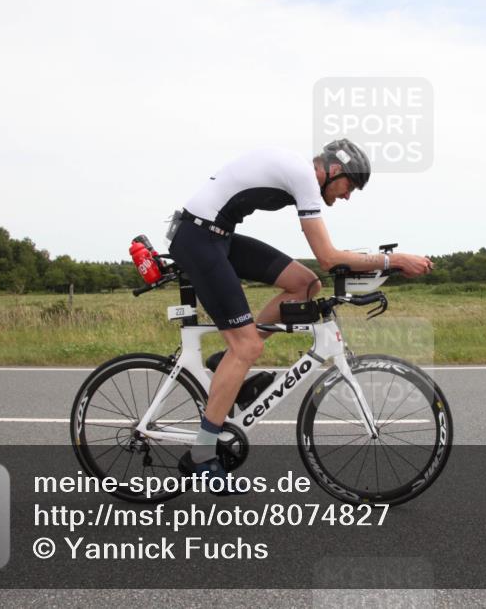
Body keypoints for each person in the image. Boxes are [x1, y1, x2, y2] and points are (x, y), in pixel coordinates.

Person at [169, 138, 433, 490]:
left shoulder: (300, 174)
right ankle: (201, 455)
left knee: (305, 284)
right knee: (247, 347)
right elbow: (328, 257)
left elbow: (325, 264)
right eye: (350, 186)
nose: (347, 196)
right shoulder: (305, 177)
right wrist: (393, 260)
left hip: (219, 237)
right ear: (334, 170)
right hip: (199, 239)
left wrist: (381, 265)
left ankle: (226, 361)